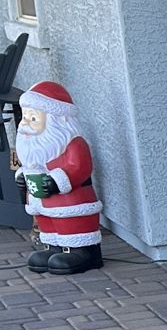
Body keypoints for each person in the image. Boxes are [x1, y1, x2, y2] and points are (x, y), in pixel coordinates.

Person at [13, 80, 103, 274]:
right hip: (42, 203)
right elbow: (28, 166)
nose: (25, 123)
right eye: (25, 116)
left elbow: (79, 167)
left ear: (56, 121)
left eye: (33, 118)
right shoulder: (34, 150)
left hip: (72, 202)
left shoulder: (74, 144)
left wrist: (57, 181)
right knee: (48, 223)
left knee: (70, 224)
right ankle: (53, 246)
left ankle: (81, 250)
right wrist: (22, 176)